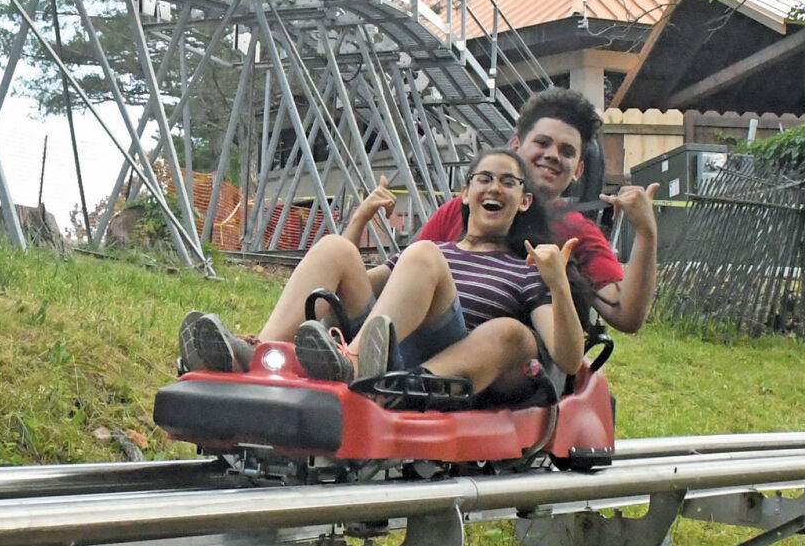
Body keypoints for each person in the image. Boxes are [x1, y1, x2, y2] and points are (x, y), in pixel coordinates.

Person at [180, 148, 589, 407]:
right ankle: (259, 355)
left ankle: (353, 366)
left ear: (524, 201)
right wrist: (358, 220)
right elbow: (345, 283)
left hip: (444, 369)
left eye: (507, 182)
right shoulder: (435, 254)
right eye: (483, 178)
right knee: (336, 248)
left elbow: (568, 360)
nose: (493, 187)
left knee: (510, 332)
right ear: (465, 195)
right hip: (387, 344)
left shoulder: (526, 270)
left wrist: (558, 284)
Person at [418, 87, 658, 334]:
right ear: (515, 147)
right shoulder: (459, 210)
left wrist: (646, 232)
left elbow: (625, 316)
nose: (552, 155)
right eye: (542, 143)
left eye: (567, 151)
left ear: (578, 170)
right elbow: (411, 272)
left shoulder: (578, 233)